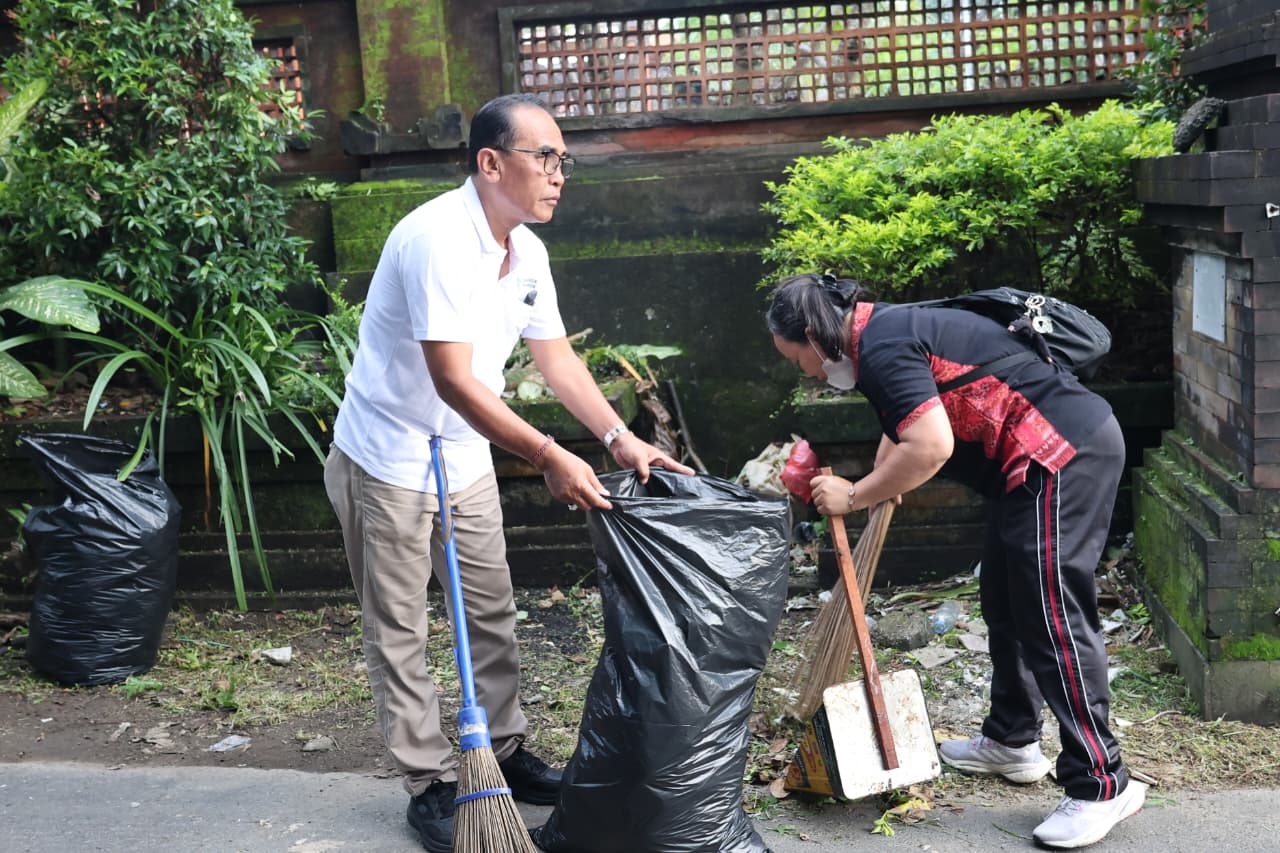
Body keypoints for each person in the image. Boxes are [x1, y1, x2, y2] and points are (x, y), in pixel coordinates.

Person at [323, 93, 692, 853]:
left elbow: (555, 358)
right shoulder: (436, 240)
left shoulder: (527, 251)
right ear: (491, 163)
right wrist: (551, 454)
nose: (560, 174)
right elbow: (455, 379)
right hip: (388, 456)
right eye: (545, 157)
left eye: (564, 159)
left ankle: (505, 750)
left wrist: (618, 436)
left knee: (490, 610)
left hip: (462, 456)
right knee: (400, 627)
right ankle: (429, 783)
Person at [766, 273, 1146, 850]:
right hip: (1037, 465)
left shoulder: (885, 344)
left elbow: (931, 445)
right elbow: (906, 428)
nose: (806, 372)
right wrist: (877, 480)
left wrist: (857, 493)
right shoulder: (884, 333)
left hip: (1062, 455)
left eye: (798, 359)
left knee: (1051, 615)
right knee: (1002, 595)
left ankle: (1102, 784)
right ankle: (1013, 741)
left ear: (815, 337)